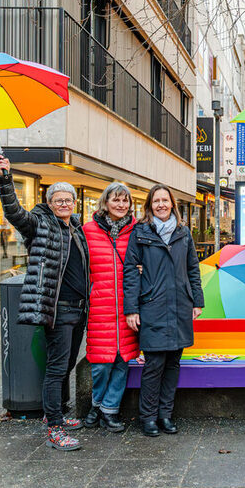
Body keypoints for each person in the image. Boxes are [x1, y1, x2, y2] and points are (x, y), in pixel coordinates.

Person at [0, 155, 89, 451]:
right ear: (49, 203)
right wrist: (5, 178)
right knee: (57, 367)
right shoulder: (40, 225)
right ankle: (55, 427)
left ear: (74, 203)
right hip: (56, 308)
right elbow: (14, 213)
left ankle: (57, 412)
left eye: (68, 200)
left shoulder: (75, 226)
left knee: (67, 364)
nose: (63, 204)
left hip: (79, 307)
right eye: (58, 200)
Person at [123, 184, 204, 437]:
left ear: (172, 204)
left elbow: (193, 269)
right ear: (150, 205)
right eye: (156, 201)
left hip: (180, 305)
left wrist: (197, 301)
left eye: (165, 200)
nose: (161, 205)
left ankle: (165, 415)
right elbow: (130, 272)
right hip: (153, 306)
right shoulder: (141, 233)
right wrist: (131, 309)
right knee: (154, 364)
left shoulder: (183, 233)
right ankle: (148, 417)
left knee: (173, 364)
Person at [81, 183, 138, 433]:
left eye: (125, 201)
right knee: (100, 362)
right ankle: (96, 404)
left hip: (128, 307)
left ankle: (109, 410)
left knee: (123, 360)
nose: (121, 205)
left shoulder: (137, 230)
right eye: (116, 200)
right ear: (105, 202)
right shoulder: (87, 231)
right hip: (99, 306)